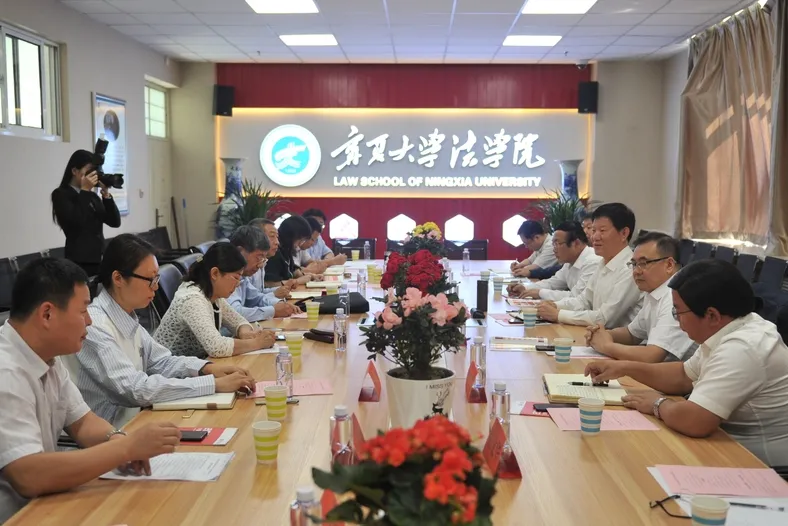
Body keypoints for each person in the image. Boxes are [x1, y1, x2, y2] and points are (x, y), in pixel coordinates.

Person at [0, 258, 180, 523]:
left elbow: (82, 422)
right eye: (83, 310)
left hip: (46, 504)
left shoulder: (47, 357)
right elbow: (28, 475)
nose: (89, 321)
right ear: (47, 314)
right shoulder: (6, 372)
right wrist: (126, 448)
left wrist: (116, 439)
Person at [585, 260, 788, 468]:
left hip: (761, 463)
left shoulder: (743, 348)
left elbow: (695, 421)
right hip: (726, 442)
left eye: (678, 312)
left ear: (712, 315)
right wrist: (624, 368)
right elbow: (683, 376)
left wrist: (657, 404)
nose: (677, 321)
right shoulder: (731, 327)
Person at [69, 235, 256, 428]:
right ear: (118, 278)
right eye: (150, 280)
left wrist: (207, 368)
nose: (156, 287)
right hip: (114, 431)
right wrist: (213, 384)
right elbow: (135, 389)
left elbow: (162, 362)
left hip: (140, 416)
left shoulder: (126, 315)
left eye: (156, 278)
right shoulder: (96, 325)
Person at [585, 232, 696, 362]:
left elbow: (651, 356)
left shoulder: (676, 296)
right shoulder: (655, 291)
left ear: (669, 265)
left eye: (643, 263)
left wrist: (607, 346)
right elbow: (632, 334)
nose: (636, 271)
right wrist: (603, 334)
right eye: (634, 264)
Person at [154, 243, 276, 359]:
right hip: (169, 370)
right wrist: (257, 343)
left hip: (196, 364)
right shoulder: (192, 299)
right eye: (236, 278)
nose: (238, 284)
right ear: (215, 273)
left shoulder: (213, 293)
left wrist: (245, 333)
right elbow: (217, 347)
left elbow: (238, 321)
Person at [537, 203, 642, 328]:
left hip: (616, 338)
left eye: (602, 231)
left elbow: (605, 319)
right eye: (593, 230)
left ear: (624, 233)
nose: (594, 237)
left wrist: (558, 314)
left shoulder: (630, 268)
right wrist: (556, 305)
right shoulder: (603, 262)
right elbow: (584, 301)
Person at [51, 149, 121, 276]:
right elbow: (76, 221)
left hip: (100, 258)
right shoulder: (61, 194)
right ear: (74, 171)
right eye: (89, 170)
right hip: (80, 261)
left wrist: (106, 196)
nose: (93, 175)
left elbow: (114, 222)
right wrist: (85, 190)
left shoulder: (92, 196)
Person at [508, 221, 601, 301]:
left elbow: (576, 297)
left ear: (576, 243)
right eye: (553, 244)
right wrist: (525, 288)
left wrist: (539, 293)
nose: (554, 249)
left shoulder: (592, 262)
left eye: (557, 243)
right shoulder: (569, 262)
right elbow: (553, 283)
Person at [227, 226, 299, 323]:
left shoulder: (243, 276)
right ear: (240, 252)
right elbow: (234, 313)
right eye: (258, 257)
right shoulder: (225, 274)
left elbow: (256, 298)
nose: (260, 265)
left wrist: (280, 304)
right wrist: (273, 311)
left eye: (263, 259)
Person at [263, 215, 320, 287]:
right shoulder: (274, 253)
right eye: (301, 240)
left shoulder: (286, 250)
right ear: (291, 237)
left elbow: (292, 270)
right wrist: (297, 281)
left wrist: (310, 276)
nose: (300, 244)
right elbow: (268, 284)